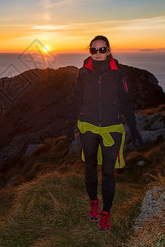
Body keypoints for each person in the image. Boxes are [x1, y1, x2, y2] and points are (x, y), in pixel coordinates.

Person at [66, 35, 143, 231]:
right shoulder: (83, 73)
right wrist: (70, 126)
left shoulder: (119, 72)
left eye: (102, 49)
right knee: (90, 167)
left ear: (109, 51)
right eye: (94, 50)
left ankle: (106, 213)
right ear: (89, 51)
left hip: (112, 128)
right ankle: (94, 203)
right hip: (88, 127)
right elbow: (76, 99)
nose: (98, 53)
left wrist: (134, 128)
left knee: (109, 173)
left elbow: (126, 101)